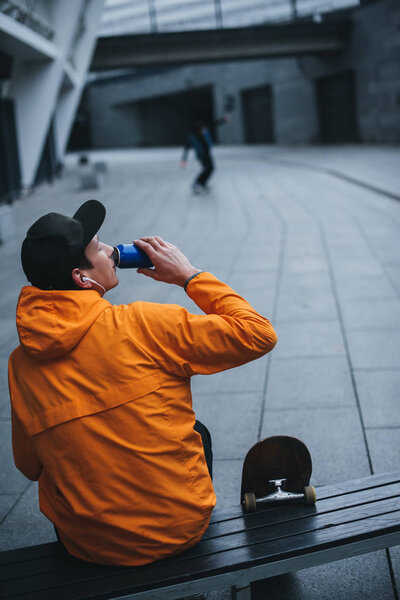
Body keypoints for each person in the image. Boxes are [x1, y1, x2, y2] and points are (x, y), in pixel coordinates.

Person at [8, 199, 277, 567]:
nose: (110, 251)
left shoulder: (20, 364)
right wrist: (189, 276)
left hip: (88, 545)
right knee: (197, 432)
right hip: (179, 530)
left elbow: (29, 466)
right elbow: (258, 333)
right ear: (82, 279)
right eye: (98, 248)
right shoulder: (142, 325)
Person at [180, 115, 229, 194]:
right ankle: (196, 183)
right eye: (202, 130)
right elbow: (186, 149)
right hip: (201, 155)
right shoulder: (192, 137)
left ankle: (202, 184)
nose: (204, 131)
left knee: (211, 169)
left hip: (207, 153)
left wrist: (223, 120)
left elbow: (214, 124)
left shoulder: (204, 130)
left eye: (204, 129)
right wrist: (184, 160)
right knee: (207, 169)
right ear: (198, 130)